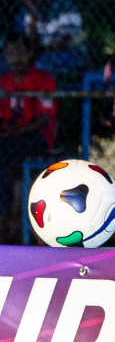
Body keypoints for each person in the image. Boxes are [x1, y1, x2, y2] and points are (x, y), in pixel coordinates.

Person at [0, 35, 57, 230]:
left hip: (37, 137)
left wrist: (11, 133)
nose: (12, 56)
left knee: (5, 152)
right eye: (8, 52)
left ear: (28, 53)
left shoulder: (43, 80)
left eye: (17, 51)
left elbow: (43, 119)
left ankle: (6, 214)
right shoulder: (4, 81)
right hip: (9, 138)